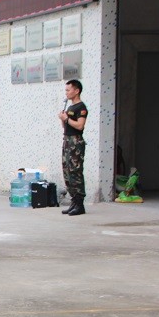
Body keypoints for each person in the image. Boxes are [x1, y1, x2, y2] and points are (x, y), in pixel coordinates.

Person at [59, 79, 88, 216]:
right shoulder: (69, 107)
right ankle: (73, 201)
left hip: (76, 142)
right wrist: (62, 119)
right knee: (67, 171)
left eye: (68, 90)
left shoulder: (81, 108)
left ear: (77, 91)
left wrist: (66, 119)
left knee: (75, 171)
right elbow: (67, 126)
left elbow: (80, 126)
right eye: (66, 90)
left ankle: (80, 203)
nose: (67, 92)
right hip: (67, 140)